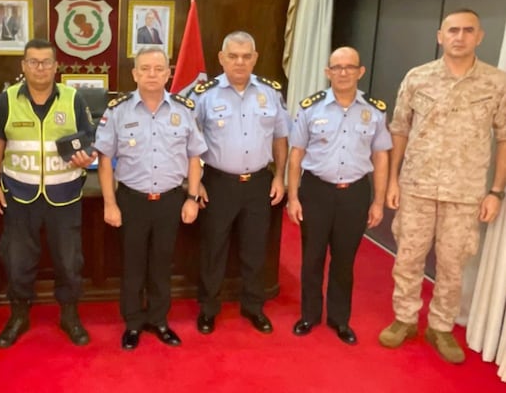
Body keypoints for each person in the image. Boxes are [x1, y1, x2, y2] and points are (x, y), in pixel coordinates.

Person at [378, 8, 506, 363]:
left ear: (480, 36)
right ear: (440, 36)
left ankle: (441, 326)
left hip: (465, 194)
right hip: (416, 186)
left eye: (468, 31)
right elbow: (399, 130)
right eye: (453, 30)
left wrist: (496, 191)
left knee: (452, 264)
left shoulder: (497, 83)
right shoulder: (418, 78)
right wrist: (393, 180)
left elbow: (504, 138)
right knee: (408, 258)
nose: (459, 37)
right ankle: (404, 319)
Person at [95, 46, 206, 350]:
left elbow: (195, 157)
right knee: (132, 266)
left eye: (158, 68)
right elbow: (105, 161)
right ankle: (132, 323)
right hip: (132, 200)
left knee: (161, 264)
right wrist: (109, 203)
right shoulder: (118, 111)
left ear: (169, 72)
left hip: (170, 200)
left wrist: (192, 198)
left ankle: (158, 320)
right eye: (145, 68)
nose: (152, 74)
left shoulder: (184, 110)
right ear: (134, 74)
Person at [0, 38, 96, 348]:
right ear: (23, 66)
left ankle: (70, 316)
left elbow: (90, 142)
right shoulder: (6, 99)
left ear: (55, 66)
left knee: (69, 260)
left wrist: (87, 156)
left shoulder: (73, 99)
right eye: (33, 62)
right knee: (17, 260)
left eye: (46, 62)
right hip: (20, 196)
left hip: (64, 196)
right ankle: (19, 316)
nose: (39, 68)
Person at [286, 47, 391, 345]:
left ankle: (339, 319)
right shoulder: (311, 108)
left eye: (349, 67)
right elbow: (296, 155)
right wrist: (293, 198)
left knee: (344, 260)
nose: (343, 72)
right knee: (312, 257)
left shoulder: (375, 110)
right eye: (337, 67)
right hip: (316, 190)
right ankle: (308, 315)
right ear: (327, 72)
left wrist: (379, 201)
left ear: (361, 72)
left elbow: (381, 156)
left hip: (355, 193)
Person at [189, 31, 289, 335]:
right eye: (233, 56)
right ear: (222, 58)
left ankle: (253, 306)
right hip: (217, 182)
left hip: (259, 182)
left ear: (255, 58)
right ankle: (208, 308)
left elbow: (281, 138)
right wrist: (195, 184)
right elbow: (186, 141)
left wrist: (280, 176)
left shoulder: (271, 93)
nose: (240, 62)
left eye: (247, 56)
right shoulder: (203, 94)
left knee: (255, 248)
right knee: (213, 250)